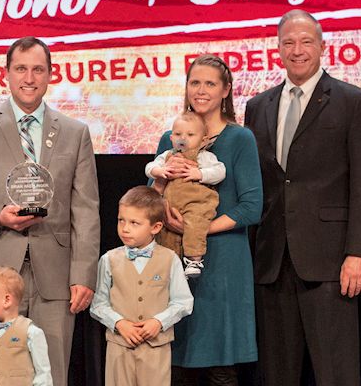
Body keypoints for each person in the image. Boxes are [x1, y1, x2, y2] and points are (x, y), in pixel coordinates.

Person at [0, 36, 100, 386]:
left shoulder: (75, 133)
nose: (29, 78)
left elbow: (86, 209)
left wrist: (83, 274)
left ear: (50, 74)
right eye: (21, 69)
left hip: (56, 276)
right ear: (7, 74)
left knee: (52, 373)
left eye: (38, 69)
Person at [244, 9, 361, 386]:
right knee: (276, 375)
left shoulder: (353, 101)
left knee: (336, 374)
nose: (297, 50)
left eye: (306, 41)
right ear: (278, 49)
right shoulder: (258, 107)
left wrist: (359, 252)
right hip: (272, 261)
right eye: (288, 42)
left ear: (322, 47)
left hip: (331, 261)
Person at [158, 54, 263, 385]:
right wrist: (162, 203)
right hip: (174, 258)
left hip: (223, 263)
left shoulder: (240, 139)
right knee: (176, 360)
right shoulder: (170, 138)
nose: (201, 91)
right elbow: (152, 195)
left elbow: (251, 207)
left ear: (226, 90)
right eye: (195, 82)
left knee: (221, 365)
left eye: (210, 83)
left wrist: (197, 229)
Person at [90, 186, 193, 386]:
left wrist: (159, 321)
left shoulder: (169, 259)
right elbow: (98, 304)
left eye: (134, 223)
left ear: (155, 227)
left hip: (156, 348)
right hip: (119, 347)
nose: (125, 228)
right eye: (121, 220)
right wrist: (120, 323)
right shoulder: (109, 259)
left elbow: (183, 301)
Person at [145, 111, 226, 277]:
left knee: (195, 225)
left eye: (190, 135)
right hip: (171, 205)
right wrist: (160, 171)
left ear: (203, 139)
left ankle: (194, 259)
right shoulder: (167, 156)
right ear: (171, 138)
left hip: (196, 203)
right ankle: (167, 267)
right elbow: (149, 168)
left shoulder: (204, 157)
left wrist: (200, 174)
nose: (183, 138)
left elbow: (220, 171)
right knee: (165, 235)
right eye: (178, 134)